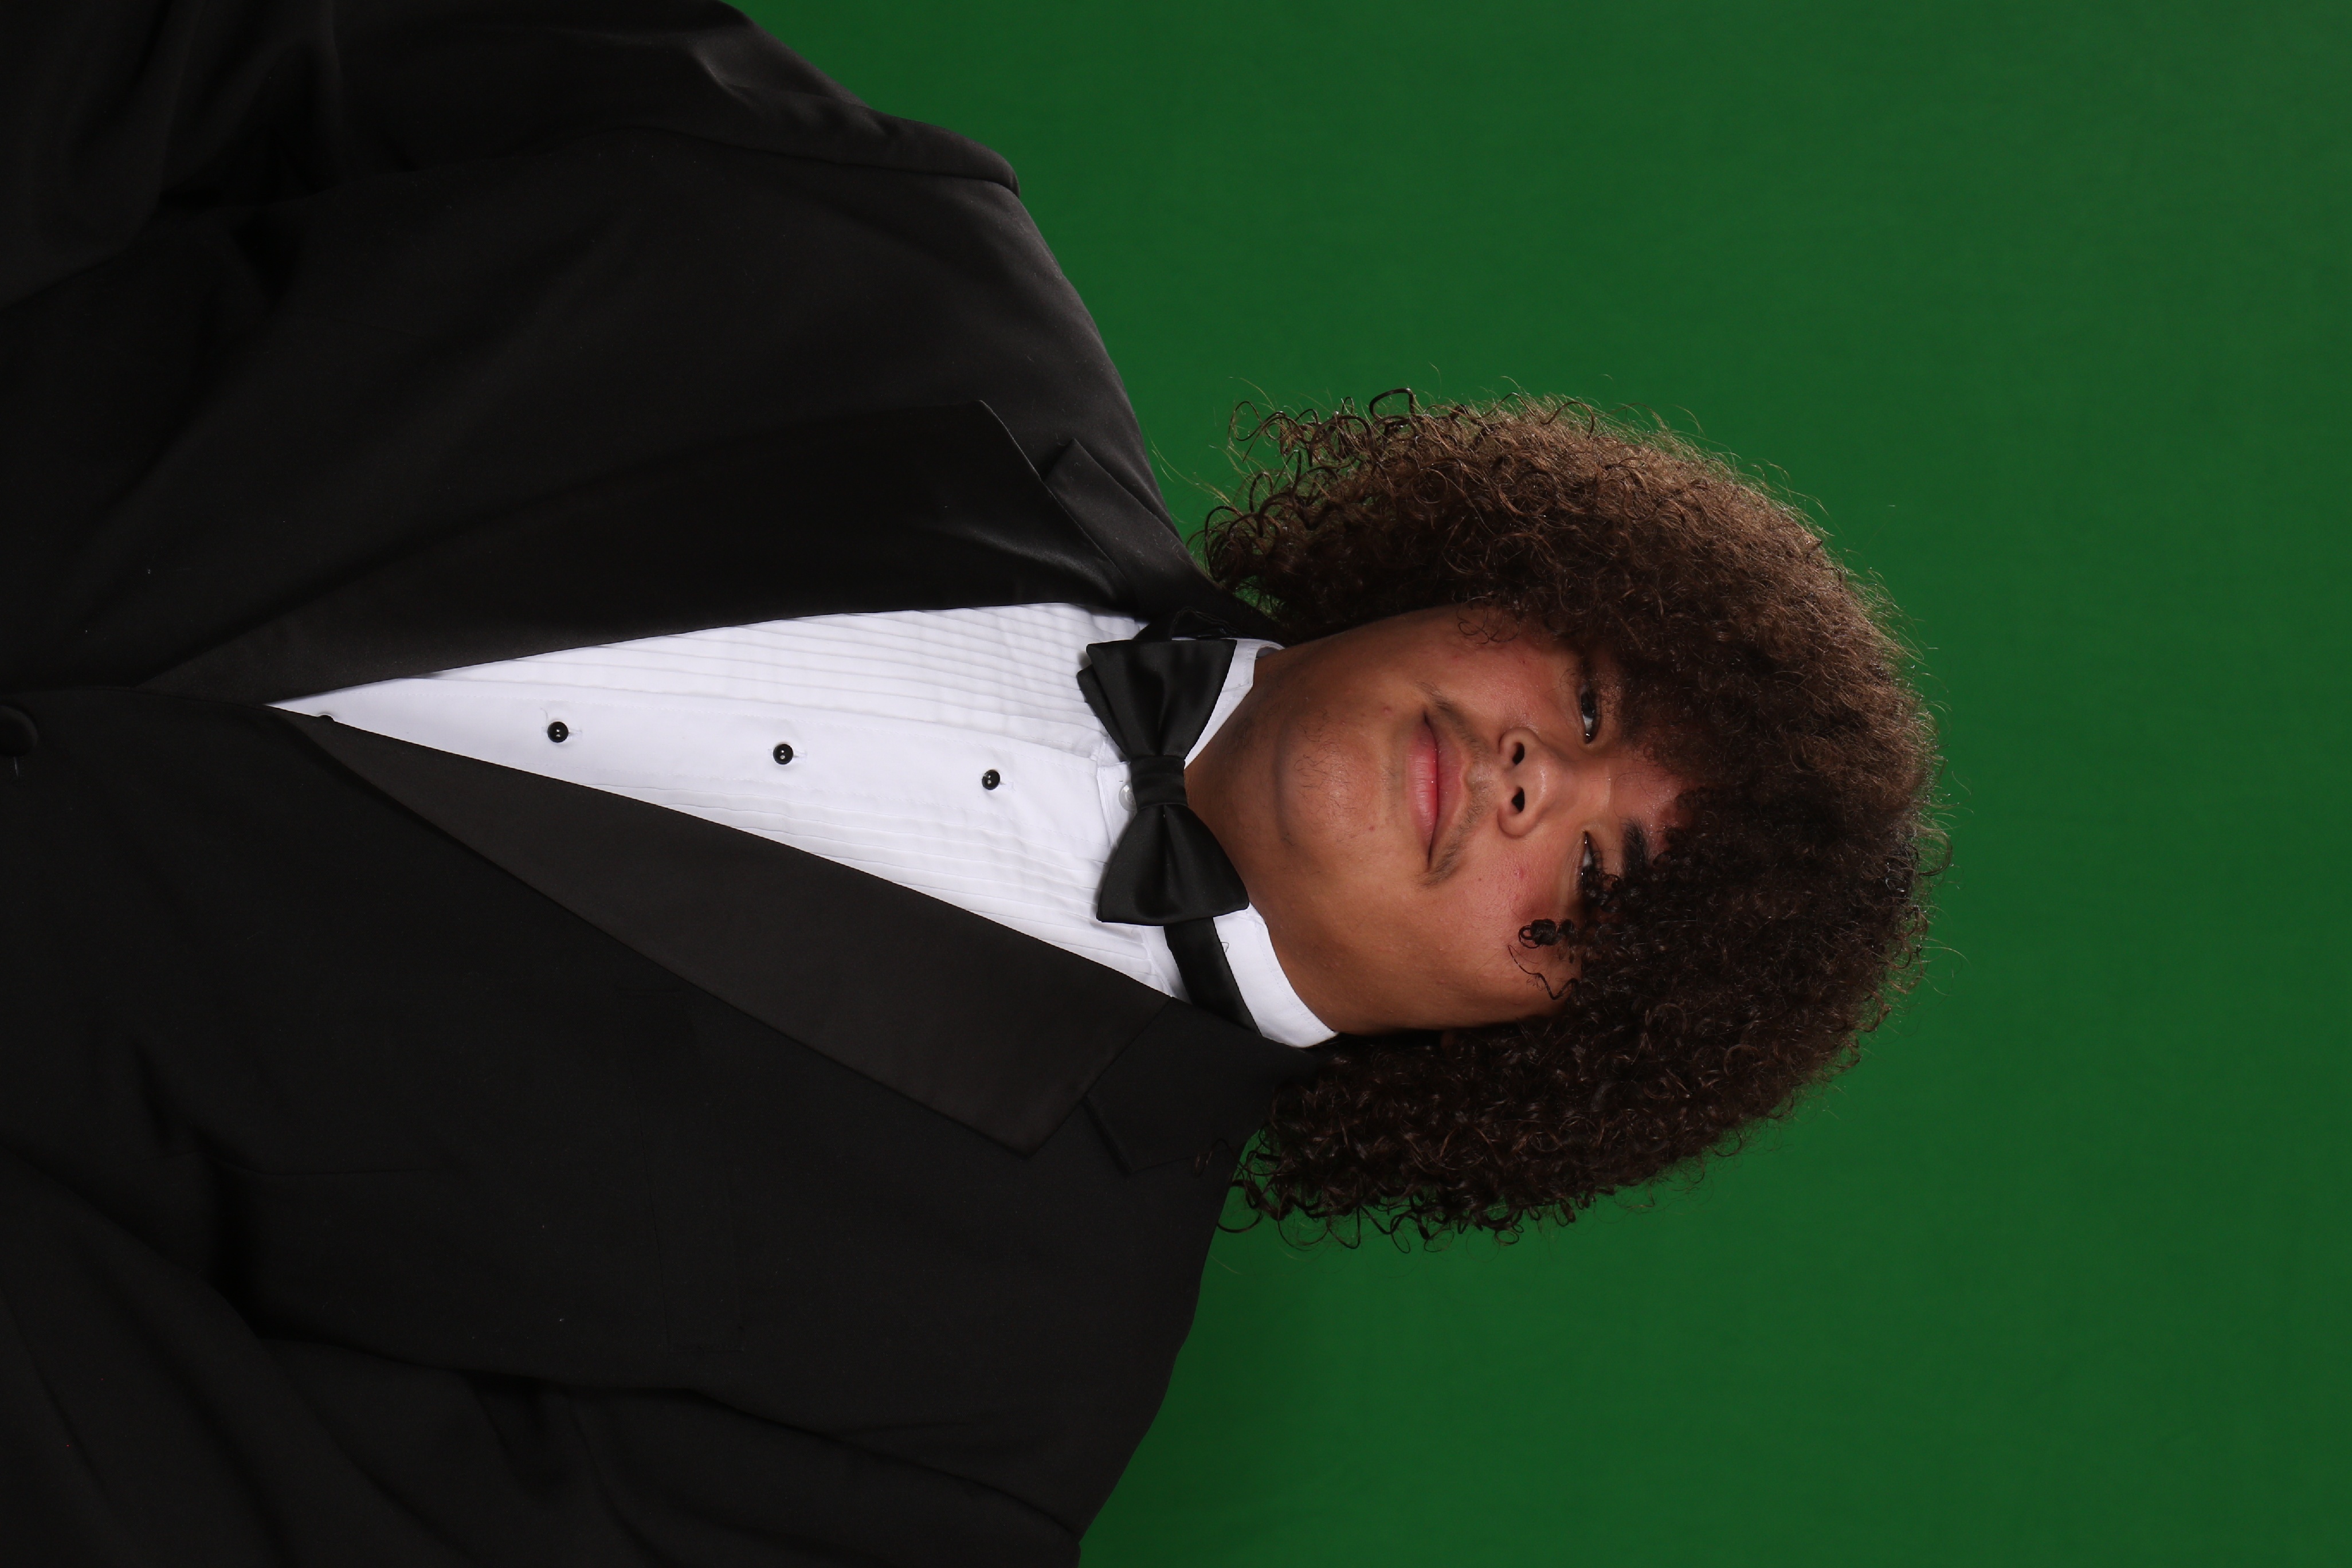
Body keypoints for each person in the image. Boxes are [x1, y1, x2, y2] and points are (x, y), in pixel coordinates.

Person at [0, 2, 1938, 1564]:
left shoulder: (964, 1442)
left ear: (1538, 1056)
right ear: (1510, 573)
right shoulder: (910, 265)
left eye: (1594, 885)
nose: (1534, 781)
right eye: (1587, 700)